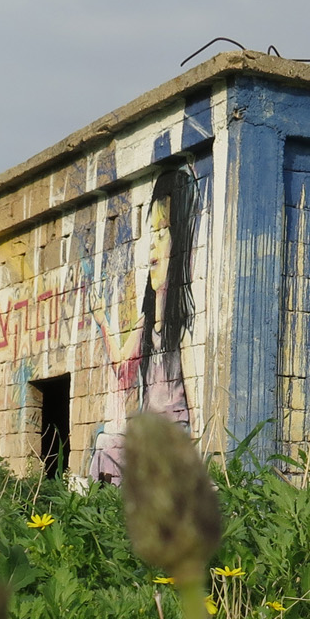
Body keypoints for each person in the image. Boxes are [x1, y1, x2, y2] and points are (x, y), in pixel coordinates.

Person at [87, 166, 198, 484]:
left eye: (163, 233)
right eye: (152, 233)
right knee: (106, 443)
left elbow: (195, 411)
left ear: (179, 244)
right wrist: (103, 322)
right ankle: (106, 515)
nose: (153, 244)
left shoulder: (182, 332)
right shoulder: (147, 322)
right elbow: (124, 369)